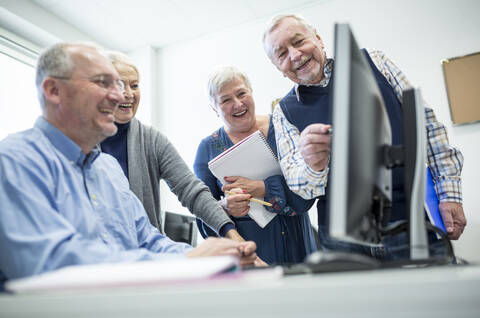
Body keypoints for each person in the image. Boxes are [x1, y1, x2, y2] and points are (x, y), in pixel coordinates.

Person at [0, 42, 256, 286]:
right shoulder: (14, 162)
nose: (119, 95)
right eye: (103, 83)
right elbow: (49, 261)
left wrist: (210, 255)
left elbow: (149, 239)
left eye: (127, 85)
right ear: (54, 91)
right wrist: (185, 262)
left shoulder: (109, 171)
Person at [262, 14, 467, 259]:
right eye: (282, 54)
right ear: (278, 68)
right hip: (343, 244)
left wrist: (449, 194)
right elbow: (300, 187)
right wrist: (312, 165)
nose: (294, 55)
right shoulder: (283, 112)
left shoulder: (376, 63)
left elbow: (428, 127)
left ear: (318, 38)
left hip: (410, 222)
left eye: (298, 42)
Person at [100, 51, 245, 242]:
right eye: (120, 85)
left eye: (134, 85)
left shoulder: (152, 140)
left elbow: (190, 190)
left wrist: (231, 234)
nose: (129, 93)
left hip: (145, 254)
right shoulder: (84, 140)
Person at [194, 65, 317, 265]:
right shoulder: (208, 148)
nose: (237, 104)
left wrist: (262, 188)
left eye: (242, 93)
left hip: (300, 250)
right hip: (251, 259)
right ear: (214, 108)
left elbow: (308, 188)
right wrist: (224, 207)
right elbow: (202, 213)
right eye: (225, 100)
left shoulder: (283, 128)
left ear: (251, 92)